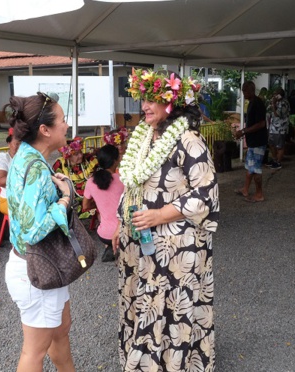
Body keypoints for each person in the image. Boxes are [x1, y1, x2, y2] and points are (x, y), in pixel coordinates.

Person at [113, 68, 219, 371]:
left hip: (176, 249)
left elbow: (206, 194)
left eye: (151, 100)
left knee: (171, 305)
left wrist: (159, 215)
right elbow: (132, 183)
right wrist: (121, 222)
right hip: (141, 242)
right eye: (142, 100)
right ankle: (144, 360)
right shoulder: (145, 135)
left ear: (171, 103)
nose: (144, 106)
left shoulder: (189, 140)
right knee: (143, 300)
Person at [4, 93, 75, 372]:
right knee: (34, 352)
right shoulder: (35, 168)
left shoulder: (26, 156)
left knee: (61, 332)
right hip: (36, 268)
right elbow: (33, 230)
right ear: (45, 130)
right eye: (62, 120)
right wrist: (65, 199)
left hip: (40, 265)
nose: (66, 125)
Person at [82, 145, 124, 262]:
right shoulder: (123, 179)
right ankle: (118, 248)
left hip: (103, 235)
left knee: (102, 215)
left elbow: (85, 206)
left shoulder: (91, 181)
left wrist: (99, 203)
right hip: (123, 232)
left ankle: (111, 246)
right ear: (116, 160)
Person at [234, 81, 267, 202]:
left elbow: (261, 123)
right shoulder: (253, 103)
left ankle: (259, 194)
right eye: (243, 91)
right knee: (250, 166)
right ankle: (245, 189)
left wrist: (243, 131)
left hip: (258, 141)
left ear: (251, 90)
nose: (243, 93)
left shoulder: (257, 103)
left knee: (256, 169)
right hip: (253, 141)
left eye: (245, 91)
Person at [0, 135, 21, 216]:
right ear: (9, 144)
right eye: (17, 144)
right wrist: (24, 178)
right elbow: (0, 181)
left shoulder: (26, 157)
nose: (19, 147)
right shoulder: (3, 157)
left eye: (22, 145)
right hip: (8, 199)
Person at [267, 88, 290, 170]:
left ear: (280, 95)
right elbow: (269, 111)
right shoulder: (276, 102)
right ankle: (274, 159)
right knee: (271, 144)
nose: (274, 96)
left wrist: (274, 104)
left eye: (276, 94)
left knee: (279, 146)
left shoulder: (284, 103)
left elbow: (278, 114)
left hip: (281, 128)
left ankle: (278, 162)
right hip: (273, 127)